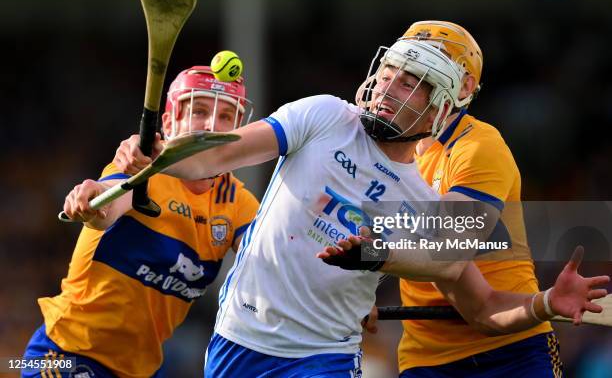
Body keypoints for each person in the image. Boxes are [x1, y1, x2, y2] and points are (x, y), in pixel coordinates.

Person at [129, 33, 607, 378]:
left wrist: (545, 303)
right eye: (385, 73)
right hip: (239, 339)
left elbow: (477, 299)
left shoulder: (429, 196)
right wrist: (160, 154)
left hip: (326, 357)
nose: (384, 86)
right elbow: (215, 155)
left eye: (406, 83)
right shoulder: (323, 115)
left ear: (440, 106)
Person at [22, 66, 259, 378]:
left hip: (141, 371)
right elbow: (109, 205)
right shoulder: (143, 170)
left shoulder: (238, 203)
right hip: (68, 353)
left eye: (227, 116)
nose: (213, 123)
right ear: (169, 121)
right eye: (199, 111)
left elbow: (269, 260)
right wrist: (94, 199)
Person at [390, 21, 565, 377]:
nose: (398, 84)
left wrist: (367, 255)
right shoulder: (386, 152)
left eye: (423, 69)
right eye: (399, 69)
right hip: (426, 357)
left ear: (463, 86)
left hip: (511, 351)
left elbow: (446, 252)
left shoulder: (479, 147)